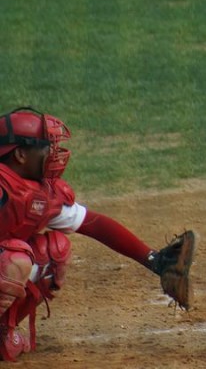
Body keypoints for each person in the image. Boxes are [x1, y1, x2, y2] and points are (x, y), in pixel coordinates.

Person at [0, 106, 196, 362]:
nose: (53, 153)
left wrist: (155, 260)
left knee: (53, 253)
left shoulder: (38, 194)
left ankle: (3, 333)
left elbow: (93, 224)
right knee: (13, 261)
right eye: (45, 147)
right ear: (21, 154)